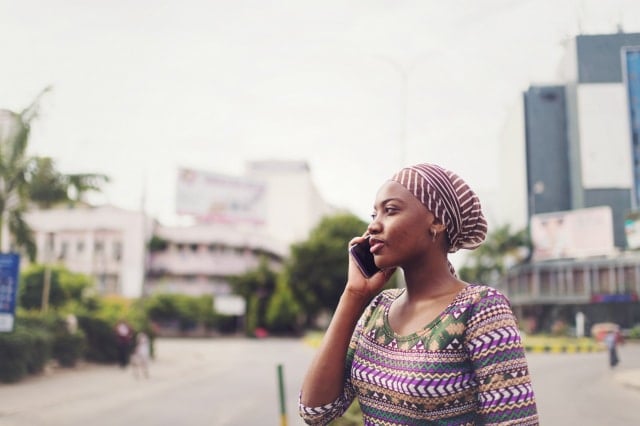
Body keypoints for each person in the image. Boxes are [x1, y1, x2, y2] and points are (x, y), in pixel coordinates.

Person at [299, 163, 539, 425]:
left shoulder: (481, 309)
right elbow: (316, 412)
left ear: (437, 221)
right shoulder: (378, 308)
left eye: (390, 211)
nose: (373, 227)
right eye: (373, 215)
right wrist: (354, 293)